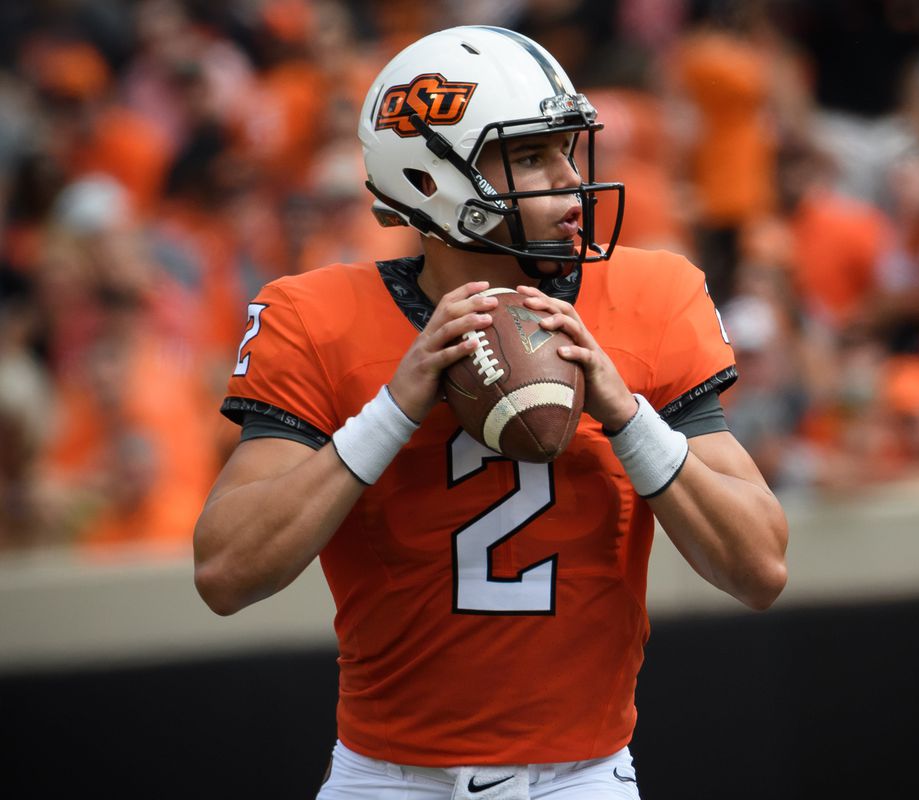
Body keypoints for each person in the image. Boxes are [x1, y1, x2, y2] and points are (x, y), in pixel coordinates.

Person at [192, 25, 788, 800]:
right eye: (532, 156)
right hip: (388, 780)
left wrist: (627, 414)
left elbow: (760, 568)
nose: (569, 180)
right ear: (431, 177)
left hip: (586, 777)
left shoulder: (653, 295)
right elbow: (226, 573)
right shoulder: (316, 318)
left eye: (566, 150)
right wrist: (391, 411)